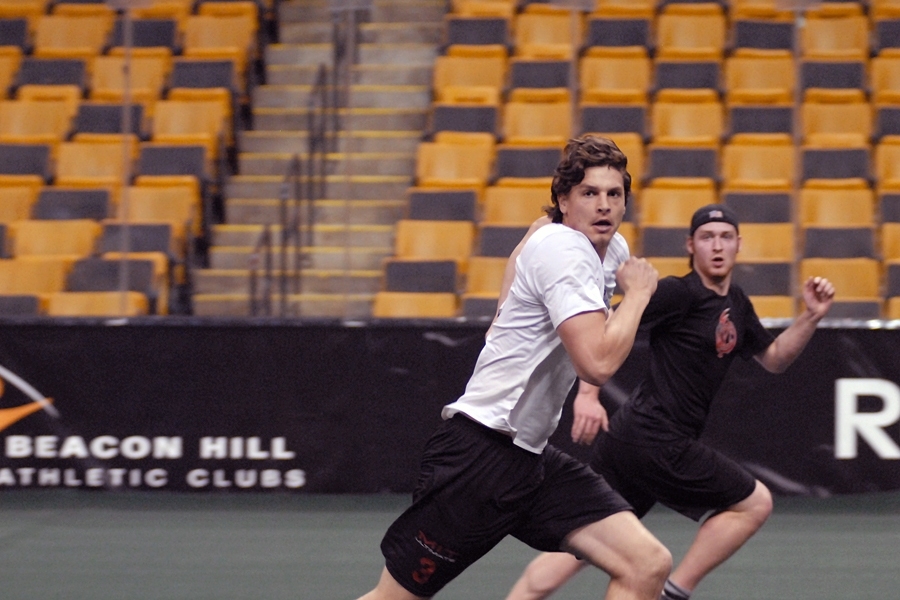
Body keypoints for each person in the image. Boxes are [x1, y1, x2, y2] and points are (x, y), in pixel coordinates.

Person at [356, 135, 673, 600]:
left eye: (614, 194)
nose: (604, 205)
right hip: (479, 456)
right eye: (588, 193)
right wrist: (640, 295)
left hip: (529, 459)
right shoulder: (563, 249)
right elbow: (597, 364)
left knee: (646, 564)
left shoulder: (608, 250)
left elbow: (526, 254)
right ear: (564, 200)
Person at [504, 204, 836, 600]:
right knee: (754, 503)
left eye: (725, 237)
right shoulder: (678, 293)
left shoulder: (738, 304)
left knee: (582, 549)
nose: (717, 246)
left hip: (630, 440)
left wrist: (810, 317)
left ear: (738, 245)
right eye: (707, 237)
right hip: (655, 437)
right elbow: (603, 330)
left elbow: (775, 358)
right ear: (690, 245)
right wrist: (589, 395)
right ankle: (675, 592)